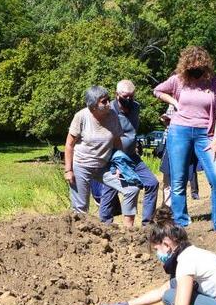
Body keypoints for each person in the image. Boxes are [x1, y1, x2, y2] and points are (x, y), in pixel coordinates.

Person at [154, 46, 216, 233]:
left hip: (207, 135)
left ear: (205, 66)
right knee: (178, 180)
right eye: (191, 68)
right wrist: (174, 102)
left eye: (199, 67)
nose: (195, 71)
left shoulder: (215, 83)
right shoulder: (179, 80)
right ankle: (181, 222)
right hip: (179, 132)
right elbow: (157, 90)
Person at [64, 85, 140, 227]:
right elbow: (69, 145)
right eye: (103, 101)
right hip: (82, 166)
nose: (108, 104)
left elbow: (117, 142)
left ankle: (129, 231)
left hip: (104, 166)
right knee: (80, 209)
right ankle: (79, 239)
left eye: (108, 100)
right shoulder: (81, 117)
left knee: (132, 189)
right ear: (93, 106)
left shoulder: (112, 116)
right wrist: (68, 170)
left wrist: (119, 166)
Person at [99, 80, 159, 226]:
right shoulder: (109, 111)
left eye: (132, 96)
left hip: (132, 156)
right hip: (112, 157)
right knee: (111, 188)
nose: (129, 100)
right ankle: (105, 225)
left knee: (152, 183)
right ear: (117, 94)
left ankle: (147, 225)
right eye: (125, 96)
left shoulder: (136, 107)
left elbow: (132, 132)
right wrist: (115, 164)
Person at [159, 105, 202, 207]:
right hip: (170, 145)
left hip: (184, 146)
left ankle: (179, 209)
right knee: (167, 181)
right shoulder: (171, 104)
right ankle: (167, 208)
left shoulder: (190, 106)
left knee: (181, 181)